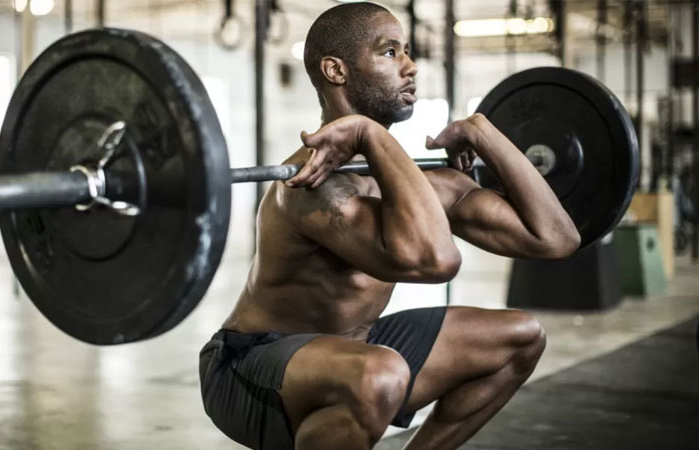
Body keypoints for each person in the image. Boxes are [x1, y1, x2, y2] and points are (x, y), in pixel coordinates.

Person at [199, 3, 580, 450]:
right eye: (389, 52)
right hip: (252, 366)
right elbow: (436, 260)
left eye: (407, 52)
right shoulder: (312, 185)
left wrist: (483, 132)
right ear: (335, 70)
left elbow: (556, 238)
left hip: (356, 347)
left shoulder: (422, 183)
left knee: (519, 338)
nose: (410, 66)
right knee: (379, 373)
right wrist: (371, 134)